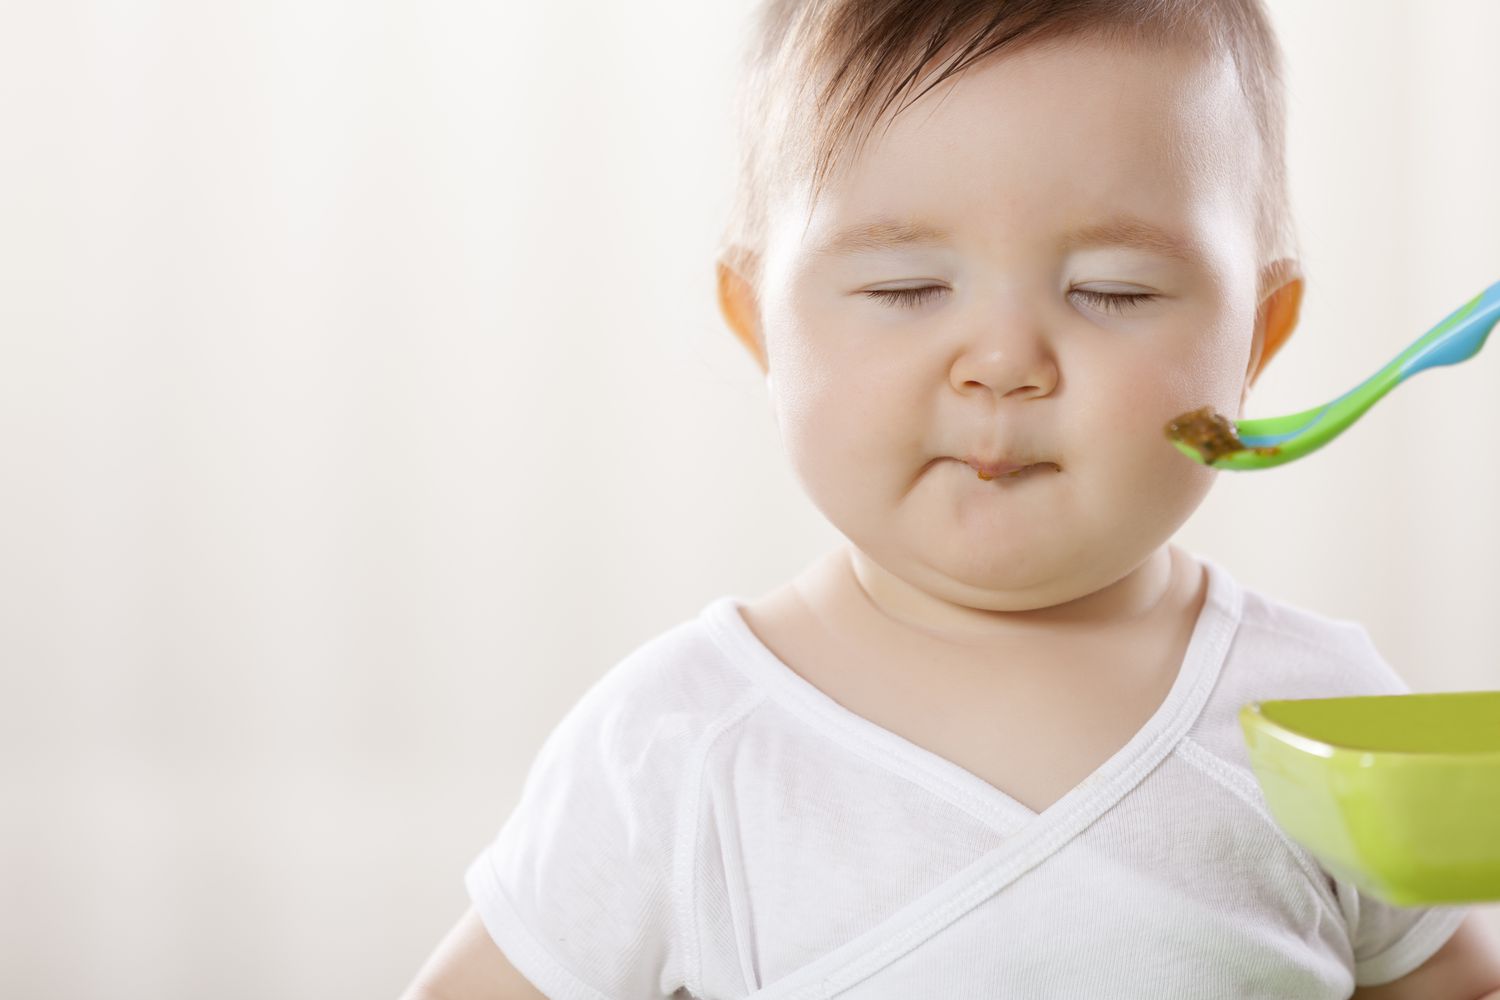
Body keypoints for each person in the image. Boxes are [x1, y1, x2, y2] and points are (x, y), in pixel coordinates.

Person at [402, 1, 1500, 998]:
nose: (1004, 361)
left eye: (1110, 290)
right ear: (759, 325)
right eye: (906, 288)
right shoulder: (679, 744)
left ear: (1257, 338)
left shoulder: (1320, 721)